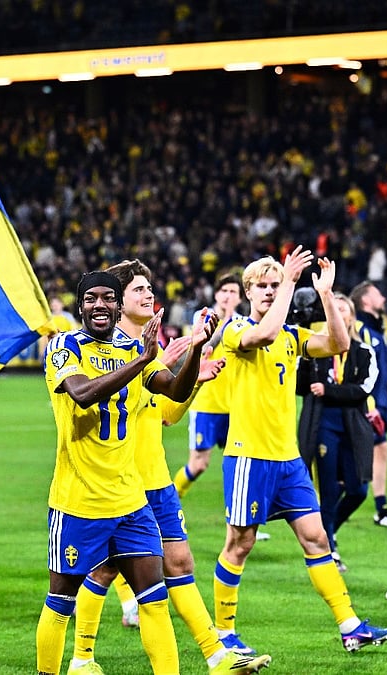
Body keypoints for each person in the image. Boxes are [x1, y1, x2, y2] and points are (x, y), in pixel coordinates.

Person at [67, 260, 268, 675]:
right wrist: (163, 362)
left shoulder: (149, 349)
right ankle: (82, 657)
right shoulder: (109, 350)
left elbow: (169, 414)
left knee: (180, 563)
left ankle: (216, 655)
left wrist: (193, 372)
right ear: (118, 301)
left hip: (156, 478)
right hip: (120, 483)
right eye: (139, 289)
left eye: (150, 288)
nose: (149, 294)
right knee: (104, 571)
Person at [212, 249, 387, 656]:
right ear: (247, 292)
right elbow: (262, 335)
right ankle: (223, 634)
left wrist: (327, 295)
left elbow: (339, 342)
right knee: (239, 544)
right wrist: (291, 285)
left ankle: (350, 627)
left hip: (288, 460)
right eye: (262, 286)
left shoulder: (293, 336)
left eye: (275, 285)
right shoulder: (236, 329)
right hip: (248, 457)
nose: (269, 291)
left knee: (316, 540)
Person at [35, 270, 214, 675]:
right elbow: (81, 395)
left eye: (107, 299)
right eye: (91, 299)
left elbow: (175, 390)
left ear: (118, 307)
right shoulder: (64, 346)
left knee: (154, 600)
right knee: (61, 600)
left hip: (130, 501)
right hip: (77, 501)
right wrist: (142, 360)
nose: (100, 305)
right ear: (80, 306)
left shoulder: (132, 347)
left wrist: (196, 351)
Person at [296, 292, 378, 572]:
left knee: (358, 490)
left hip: (353, 424)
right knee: (328, 490)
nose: (338, 313)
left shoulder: (364, 351)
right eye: (333, 309)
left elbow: (363, 389)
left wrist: (328, 390)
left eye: (342, 309)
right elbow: (299, 387)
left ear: (351, 317)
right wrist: (305, 360)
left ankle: (329, 530)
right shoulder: (314, 352)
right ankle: (329, 545)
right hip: (322, 423)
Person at [173, 274, 244, 499]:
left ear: (241, 297)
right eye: (224, 291)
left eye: (233, 292)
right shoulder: (203, 317)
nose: (228, 296)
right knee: (199, 464)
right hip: (206, 403)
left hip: (234, 404)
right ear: (216, 295)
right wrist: (225, 323)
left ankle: (244, 525)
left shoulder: (244, 323)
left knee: (241, 464)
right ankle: (169, 504)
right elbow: (201, 349)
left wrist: (234, 321)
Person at [349, 281, 387, 527]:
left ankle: (381, 508)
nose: (383, 297)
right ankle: (329, 506)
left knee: (379, 450)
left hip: (379, 404)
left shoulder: (375, 331)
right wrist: (368, 403)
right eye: (377, 294)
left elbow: (381, 371)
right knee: (353, 457)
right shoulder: (358, 329)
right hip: (365, 406)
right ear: (366, 301)